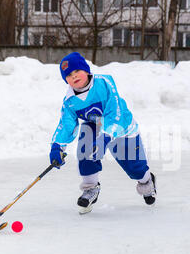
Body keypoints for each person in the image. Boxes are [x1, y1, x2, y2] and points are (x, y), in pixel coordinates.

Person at [49, 52, 156, 214]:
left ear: (86, 70)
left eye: (77, 71)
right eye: (69, 75)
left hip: (122, 128)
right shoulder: (70, 101)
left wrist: (105, 137)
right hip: (95, 127)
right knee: (86, 143)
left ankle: (147, 181)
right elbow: (66, 125)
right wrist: (57, 147)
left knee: (135, 168)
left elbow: (115, 112)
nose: (74, 76)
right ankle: (90, 188)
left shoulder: (104, 83)